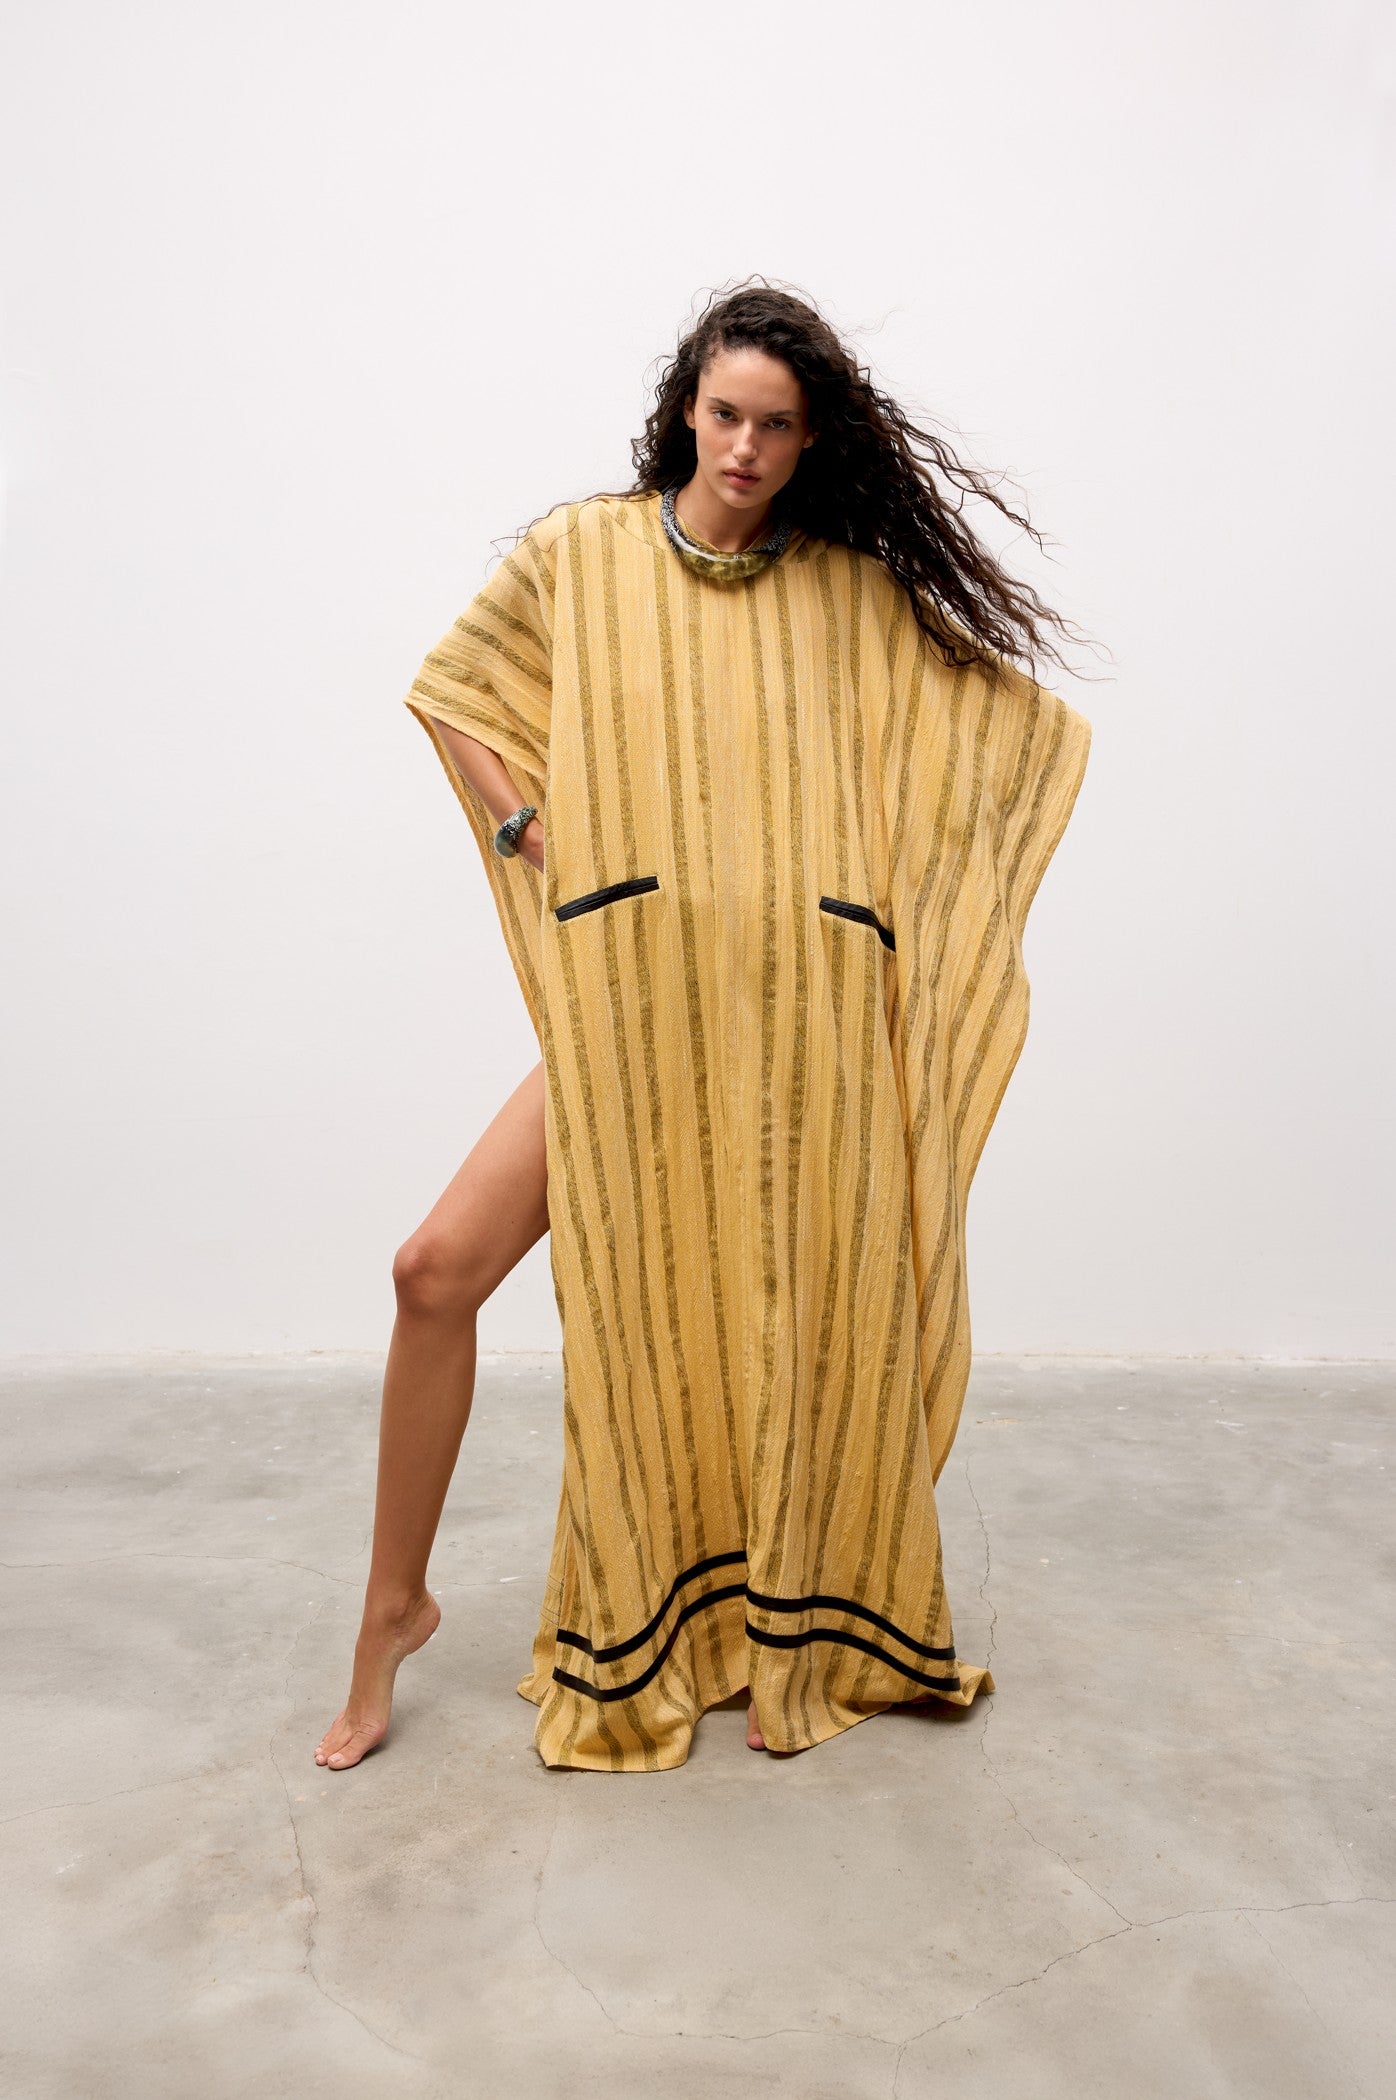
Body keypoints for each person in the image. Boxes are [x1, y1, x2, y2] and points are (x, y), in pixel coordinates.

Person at [315, 279, 1093, 1774]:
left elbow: (990, 733)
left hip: (802, 1043)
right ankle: (391, 1611)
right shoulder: (583, 553)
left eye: (776, 426)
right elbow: (455, 690)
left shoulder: (849, 595)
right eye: (726, 414)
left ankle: (776, 1623)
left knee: (769, 1331)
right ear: (687, 409)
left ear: (811, 443)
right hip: (635, 1022)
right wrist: (528, 824)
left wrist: (874, 918)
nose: (744, 447)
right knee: (435, 1272)